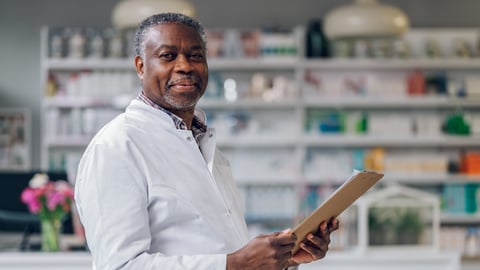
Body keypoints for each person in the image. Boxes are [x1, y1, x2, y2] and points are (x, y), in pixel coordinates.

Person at [74, 12, 339, 270]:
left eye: (196, 56)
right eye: (168, 56)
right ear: (141, 67)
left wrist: (284, 260)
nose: (185, 66)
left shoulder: (207, 149)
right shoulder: (115, 147)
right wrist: (236, 264)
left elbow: (220, 248)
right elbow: (120, 266)